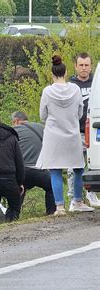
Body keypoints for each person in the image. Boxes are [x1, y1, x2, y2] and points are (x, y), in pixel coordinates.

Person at [36, 55, 94, 215]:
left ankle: (59, 207)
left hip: (53, 136)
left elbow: (42, 116)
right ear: (66, 71)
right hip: (72, 134)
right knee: (78, 169)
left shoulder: (47, 91)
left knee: (55, 171)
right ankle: (77, 201)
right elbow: (80, 111)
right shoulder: (75, 89)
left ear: (52, 73)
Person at [68, 52, 100, 207]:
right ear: (75, 66)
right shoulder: (70, 85)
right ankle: (74, 198)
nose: (84, 68)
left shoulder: (96, 83)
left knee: (94, 164)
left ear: (91, 66)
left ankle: (91, 193)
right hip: (76, 131)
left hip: (94, 131)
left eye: (87, 65)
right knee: (73, 166)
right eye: (81, 65)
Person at [11, 111, 56, 215]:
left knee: (18, 191)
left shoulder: (13, 130)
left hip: (22, 171)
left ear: (16, 121)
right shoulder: (41, 127)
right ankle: (51, 213)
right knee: (52, 186)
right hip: (40, 169)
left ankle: (12, 218)